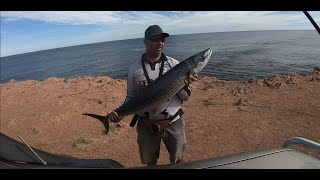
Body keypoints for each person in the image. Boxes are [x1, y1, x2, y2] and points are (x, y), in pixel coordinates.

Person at [108, 25, 197, 166]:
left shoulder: (174, 65)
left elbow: (185, 97)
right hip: (146, 124)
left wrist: (184, 84)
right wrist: (120, 114)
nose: (160, 43)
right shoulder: (134, 69)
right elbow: (131, 97)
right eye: (155, 39)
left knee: (179, 161)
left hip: (173, 122)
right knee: (151, 163)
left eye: (162, 39)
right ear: (145, 41)